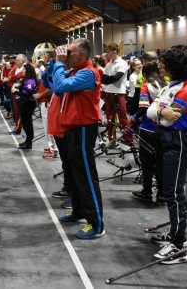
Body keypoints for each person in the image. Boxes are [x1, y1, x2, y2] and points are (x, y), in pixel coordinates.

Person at [147, 49, 187, 264]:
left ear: (174, 65)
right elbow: (153, 113)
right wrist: (160, 111)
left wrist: (158, 111)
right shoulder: (170, 87)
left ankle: (179, 245)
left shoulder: (186, 91)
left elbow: (167, 118)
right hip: (165, 138)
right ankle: (176, 233)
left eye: (163, 63)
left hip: (176, 140)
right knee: (168, 191)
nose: (159, 66)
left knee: (174, 193)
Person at [51, 40, 105, 239]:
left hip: (83, 128)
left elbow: (59, 86)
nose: (66, 55)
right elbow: (54, 84)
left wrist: (58, 62)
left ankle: (96, 224)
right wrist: (55, 64)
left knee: (86, 176)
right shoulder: (74, 71)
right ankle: (79, 211)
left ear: (81, 55)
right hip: (71, 128)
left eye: (70, 53)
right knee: (73, 174)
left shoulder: (89, 73)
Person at [129, 63, 167, 204]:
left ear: (144, 75)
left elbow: (143, 106)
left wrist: (133, 117)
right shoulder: (165, 84)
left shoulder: (146, 85)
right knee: (160, 161)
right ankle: (162, 194)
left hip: (147, 128)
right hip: (163, 127)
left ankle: (146, 191)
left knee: (146, 162)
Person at [102, 43, 133, 147]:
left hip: (118, 94)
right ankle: (112, 139)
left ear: (114, 52)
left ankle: (129, 139)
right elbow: (103, 79)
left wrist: (109, 79)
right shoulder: (108, 65)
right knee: (109, 118)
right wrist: (110, 79)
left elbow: (116, 78)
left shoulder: (123, 63)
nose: (107, 54)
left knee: (123, 118)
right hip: (108, 93)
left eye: (108, 52)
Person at [12, 63, 37, 149]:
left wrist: (15, 91)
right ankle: (27, 140)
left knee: (28, 123)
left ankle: (29, 143)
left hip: (28, 104)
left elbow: (26, 94)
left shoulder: (30, 81)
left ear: (27, 71)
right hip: (24, 104)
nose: (22, 71)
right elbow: (22, 88)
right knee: (25, 123)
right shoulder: (26, 80)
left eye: (23, 70)